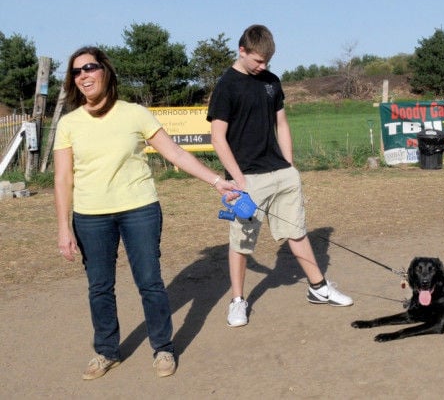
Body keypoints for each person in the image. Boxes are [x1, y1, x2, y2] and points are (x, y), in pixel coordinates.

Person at [54, 46, 238, 380]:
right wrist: (63, 229)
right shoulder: (69, 124)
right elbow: (62, 178)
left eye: (89, 67)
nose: (83, 75)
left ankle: (163, 348)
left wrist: (216, 181)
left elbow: (176, 154)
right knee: (99, 287)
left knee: (150, 282)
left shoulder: (134, 113)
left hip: (139, 209)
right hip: (90, 216)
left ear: (105, 71)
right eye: (76, 71)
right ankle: (106, 351)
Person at [207, 24, 353, 328]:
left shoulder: (271, 82)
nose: (263, 67)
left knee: (297, 230)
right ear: (242, 50)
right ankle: (237, 300)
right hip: (246, 177)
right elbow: (218, 138)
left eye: (267, 62)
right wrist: (239, 179)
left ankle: (319, 287)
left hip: (281, 173)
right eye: (258, 61)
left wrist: (290, 166)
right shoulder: (227, 86)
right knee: (242, 241)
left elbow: (282, 124)